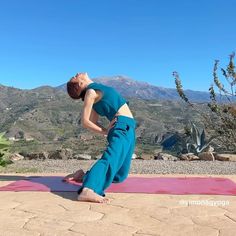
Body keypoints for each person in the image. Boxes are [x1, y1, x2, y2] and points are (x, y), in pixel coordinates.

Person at [64, 72, 136, 203]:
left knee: (119, 175)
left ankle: (83, 176)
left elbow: (93, 120)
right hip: (121, 127)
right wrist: (106, 131)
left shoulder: (96, 90)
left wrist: (107, 130)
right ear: (80, 84)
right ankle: (88, 190)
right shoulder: (90, 92)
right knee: (109, 159)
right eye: (74, 77)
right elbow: (85, 121)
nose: (76, 73)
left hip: (129, 128)